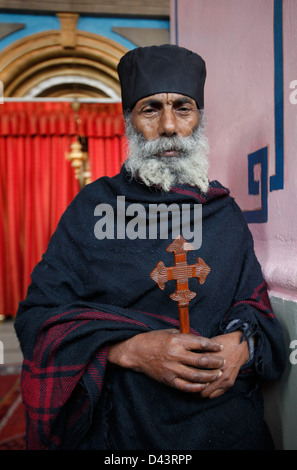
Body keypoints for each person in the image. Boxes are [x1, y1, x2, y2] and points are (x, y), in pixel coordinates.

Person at [15, 44, 286, 450]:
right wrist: (131, 350)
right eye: (150, 109)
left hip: (225, 424)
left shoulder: (224, 213)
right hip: (126, 427)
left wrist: (241, 346)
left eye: (183, 108)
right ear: (128, 121)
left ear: (199, 119)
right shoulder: (92, 209)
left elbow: (255, 308)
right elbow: (38, 317)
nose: (169, 127)